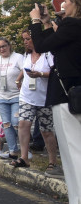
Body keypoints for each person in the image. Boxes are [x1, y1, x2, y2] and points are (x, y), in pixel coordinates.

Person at [29, 0, 81, 204]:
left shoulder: (72, 25)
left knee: (73, 156)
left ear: (76, 3)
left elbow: (41, 45)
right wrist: (49, 24)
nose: (63, 5)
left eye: (67, 1)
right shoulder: (72, 28)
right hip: (75, 95)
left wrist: (36, 21)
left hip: (67, 96)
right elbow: (56, 43)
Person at [12, 30, 60, 172]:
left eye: (28, 38)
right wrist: (18, 79)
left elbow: (55, 72)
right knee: (23, 124)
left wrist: (40, 74)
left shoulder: (47, 54)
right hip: (27, 96)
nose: (25, 41)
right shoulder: (26, 54)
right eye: (24, 39)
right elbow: (24, 69)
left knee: (46, 131)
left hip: (44, 98)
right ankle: (24, 157)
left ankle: (52, 161)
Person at [0, 37, 23, 159]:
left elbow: (24, 70)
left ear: (9, 45)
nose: (2, 49)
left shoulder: (18, 57)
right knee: (6, 124)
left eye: (4, 46)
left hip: (16, 95)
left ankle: (24, 149)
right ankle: (12, 151)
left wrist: (18, 80)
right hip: (1, 97)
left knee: (16, 123)